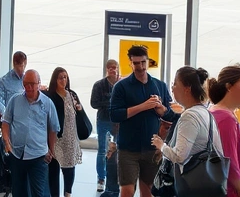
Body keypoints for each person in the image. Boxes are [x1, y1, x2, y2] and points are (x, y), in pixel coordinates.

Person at [109, 45, 176, 197]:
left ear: (148, 61)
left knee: (148, 192)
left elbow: (170, 116)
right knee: (127, 191)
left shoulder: (159, 85)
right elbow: (114, 115)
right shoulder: (121, 87)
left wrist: (161, 109)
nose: (140, 67)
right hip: (128, 148)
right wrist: (143, 106)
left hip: (152, 148)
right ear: (130, 63)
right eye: (136, 63)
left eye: (143, 62)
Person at [152, 66, 223, 178]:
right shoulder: (205, 112)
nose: (172, 88)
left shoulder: (189, 116)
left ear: (187, 89)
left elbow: (179, 157)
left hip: (192, 183)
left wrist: (161, 146)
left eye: (175, 84)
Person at [2, 69, 59, 197]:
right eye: (26, 83)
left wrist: (51, 150)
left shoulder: (48, 103)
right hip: (17, 154)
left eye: (32, 84)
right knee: (18, 192)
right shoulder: (15, 100)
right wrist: (6, 142)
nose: (28, 87)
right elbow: (5, 122)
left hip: (38, 155)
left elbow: (53, 129)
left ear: (39, 83)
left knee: (38, 193)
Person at [207, 65, 240, 197]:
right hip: (228, 190)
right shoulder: (225, 118)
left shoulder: (214, 110)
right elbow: (229, 160)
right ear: (229, 86)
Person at [44, 67, 83, 197]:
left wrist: (79, 109)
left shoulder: (72, 94)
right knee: (53, 170)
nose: (63, 80)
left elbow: (79, 111)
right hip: (55, 138)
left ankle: (68, 193)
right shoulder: (49, 96)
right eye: (60, 77)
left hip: (70, 137)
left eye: (65, 77)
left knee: (69, 168)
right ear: (55, 79)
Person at [90, 59, 120, 195]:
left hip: (118, 122)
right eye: (110, 68)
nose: (112, 70)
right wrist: (109, 103)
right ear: (106, 69)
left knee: (118, 151)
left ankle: (114, 180)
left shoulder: (121, 85)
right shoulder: (99, 85)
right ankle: (101, 179)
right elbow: (93, 103)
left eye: (115, 67)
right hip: (103, 121)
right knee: (102, 151)